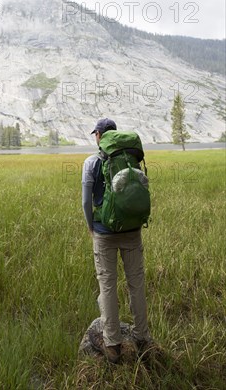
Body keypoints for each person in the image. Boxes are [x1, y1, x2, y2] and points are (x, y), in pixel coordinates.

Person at [82, 118, 151, 364]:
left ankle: (112, 345)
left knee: (108, 287)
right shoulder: (131, 158)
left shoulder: (91, 162)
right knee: (136, 283)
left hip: (104, 232)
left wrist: (91, 227)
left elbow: (85, 201)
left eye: (95, 134)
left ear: (99, 135)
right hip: (132, 230)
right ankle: (142, 338)